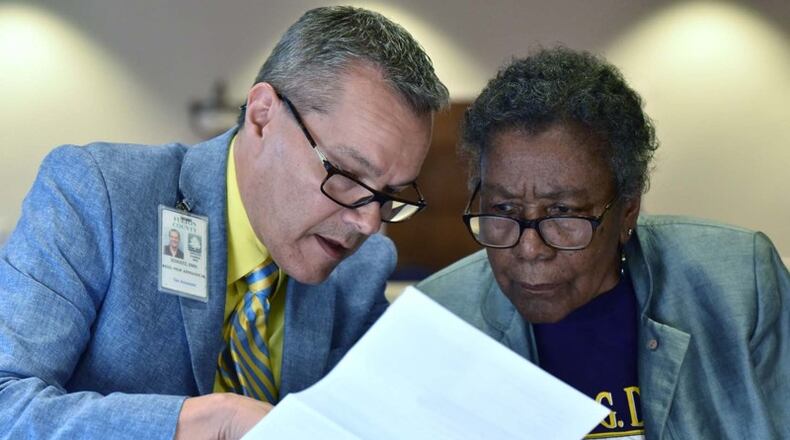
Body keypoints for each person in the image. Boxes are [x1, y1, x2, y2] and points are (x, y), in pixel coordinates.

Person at [0, 6, 448, 440]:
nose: (369, 223)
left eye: (390, 194)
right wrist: (201, 423)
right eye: (347, 176)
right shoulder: (99, 194)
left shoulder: (361, 270)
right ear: (262, 115)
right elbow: (6, 403)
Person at [417, 47, 789, 439]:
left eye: (563, 213)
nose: (529, 250)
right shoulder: (438, 320)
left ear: (627, 210)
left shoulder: (740, 286)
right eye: (504, 208)